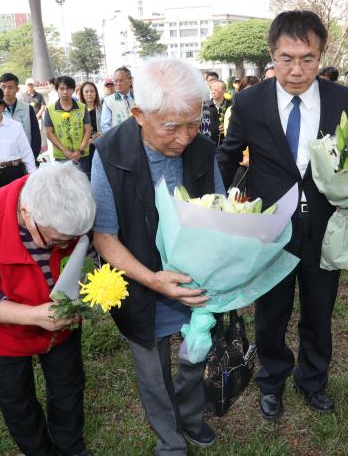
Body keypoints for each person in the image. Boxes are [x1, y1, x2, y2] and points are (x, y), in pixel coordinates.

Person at [217, 10, 348, 421]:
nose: (296, 70)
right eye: (286, 58)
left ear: (321, 55)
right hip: (270, 226)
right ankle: (273, 379)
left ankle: (313, 380)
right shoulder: (248, 101)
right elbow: (228, 155)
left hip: (324, 225)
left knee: (319, 310)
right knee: (271, 312)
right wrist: (211, 207)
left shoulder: (344, 101)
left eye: (307, 59)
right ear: (272, 54)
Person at [91, 57, 224, 454]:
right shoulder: (110, 153)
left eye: (192, 123)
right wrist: (151, 279)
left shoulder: (201, 149)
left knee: (195, 357)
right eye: (172, 127)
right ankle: (169, 439)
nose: (185, 138)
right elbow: (105, 236)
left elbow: (217, 214)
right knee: (153, 372)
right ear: (138, 114)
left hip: (193, 281)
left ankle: (191, 417)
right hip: (142, 285)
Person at [0, 162, 94, 456]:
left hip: (61, 324)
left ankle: (71, 447)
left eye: (73, 239)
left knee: (68, 389)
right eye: (57, 240)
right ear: (26, 215)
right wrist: (34, 316)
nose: (66, 245)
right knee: (17, 401)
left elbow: (87, 259)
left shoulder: (69, 205)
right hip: (2, 331)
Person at [44, 76, 93, 178]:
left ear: (73, 89)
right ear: (57, 90)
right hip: (62, 156)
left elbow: (88, 130)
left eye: (68, 88)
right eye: (61, 89)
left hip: (81, 155)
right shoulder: (50, 109)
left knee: (84, 183)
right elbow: (49, 132)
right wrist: (64, 150)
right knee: (64, 185)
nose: (65, 92)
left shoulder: (82, 107)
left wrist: (80, 149)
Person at [0, 73, 42, 161]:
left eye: (10, 87)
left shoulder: (27, 108)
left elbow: (36, 135)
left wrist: (32, 157)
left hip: (26, 159)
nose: (6, 91)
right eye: (3, 87)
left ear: (17, 89)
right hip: (4, 161)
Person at [100, 67, 134, 132]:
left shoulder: (139, 99)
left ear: (130, 80)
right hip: (117, 140)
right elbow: (105, 126)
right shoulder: (108, 101)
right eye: (116, 81)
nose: (118, 84)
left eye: (121, 80)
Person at [208, 79, 231, 144]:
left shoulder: (231, 105)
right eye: (212, 89)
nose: (213, 92)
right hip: (211, 144)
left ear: (224, 90)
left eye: (216, 90)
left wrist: (226, 126)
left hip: (227, 143)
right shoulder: (206, 107)